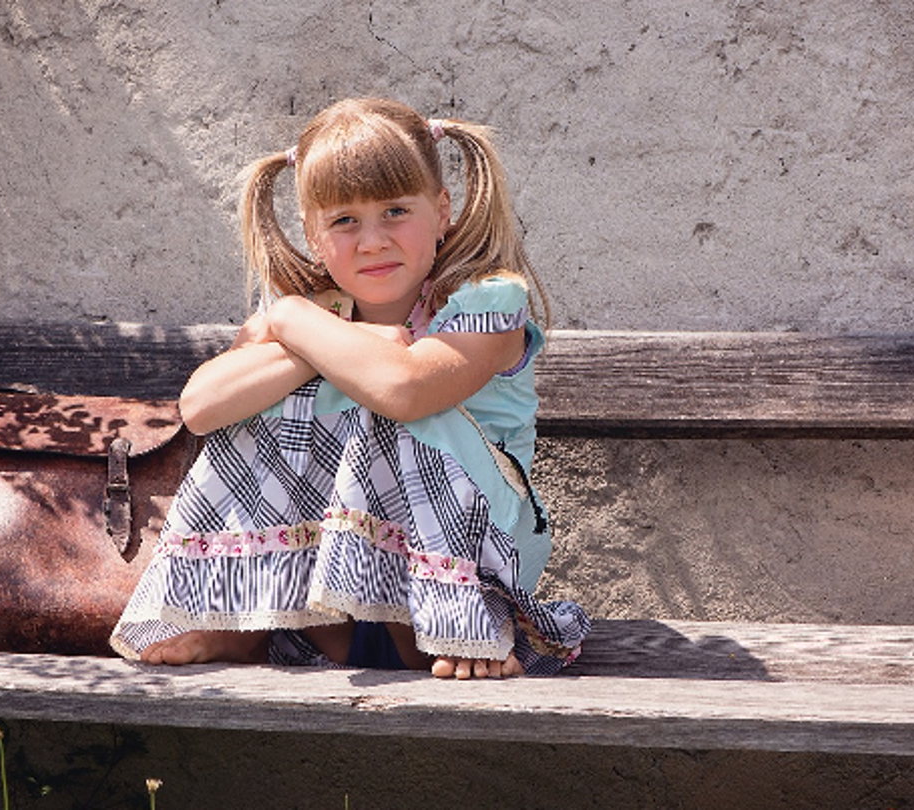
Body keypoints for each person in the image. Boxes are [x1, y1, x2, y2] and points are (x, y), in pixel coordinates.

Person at [110, 98, 589, 679]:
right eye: (344, 221)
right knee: (272, 402)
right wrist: (310, 328)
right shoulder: (319, 313)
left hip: (484, 550)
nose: (371, 241)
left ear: (442, 212)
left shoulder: (487, 302)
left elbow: (405, 388)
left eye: (395, 211)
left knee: (387, 408)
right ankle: (248, 626)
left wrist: (290, 323)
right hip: (334, 598)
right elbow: (202, 408)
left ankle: (458, 624)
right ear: (313, 235)